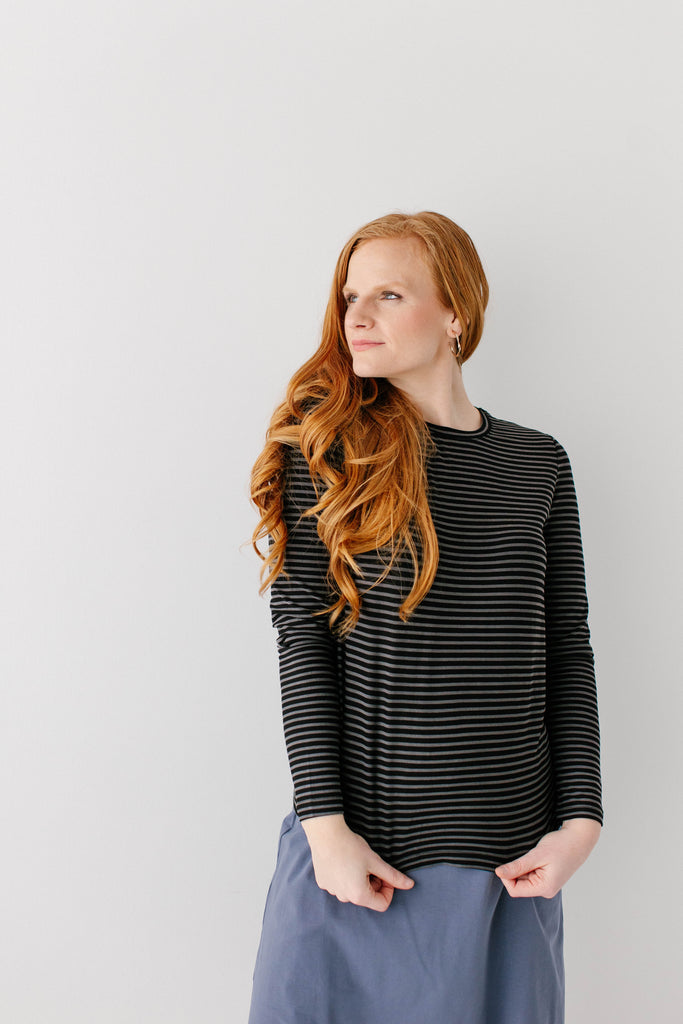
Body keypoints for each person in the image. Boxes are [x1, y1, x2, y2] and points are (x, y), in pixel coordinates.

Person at [246, 210, 603, 1024]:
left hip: (507, 871)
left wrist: (580, 819)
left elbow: (565, 650)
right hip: (357, 866)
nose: (357, 317)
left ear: (454, 314)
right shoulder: (325, 452)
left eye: (388, 294)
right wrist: (325, 830)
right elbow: (303, 640)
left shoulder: (537, 463)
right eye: (349, 297)